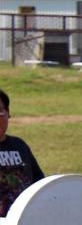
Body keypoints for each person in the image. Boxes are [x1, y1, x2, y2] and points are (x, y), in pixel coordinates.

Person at [0, 88, 45, 217]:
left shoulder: (19, 145)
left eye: (0, 111)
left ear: (8, 113)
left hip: (25, 219)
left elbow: (39, 183)